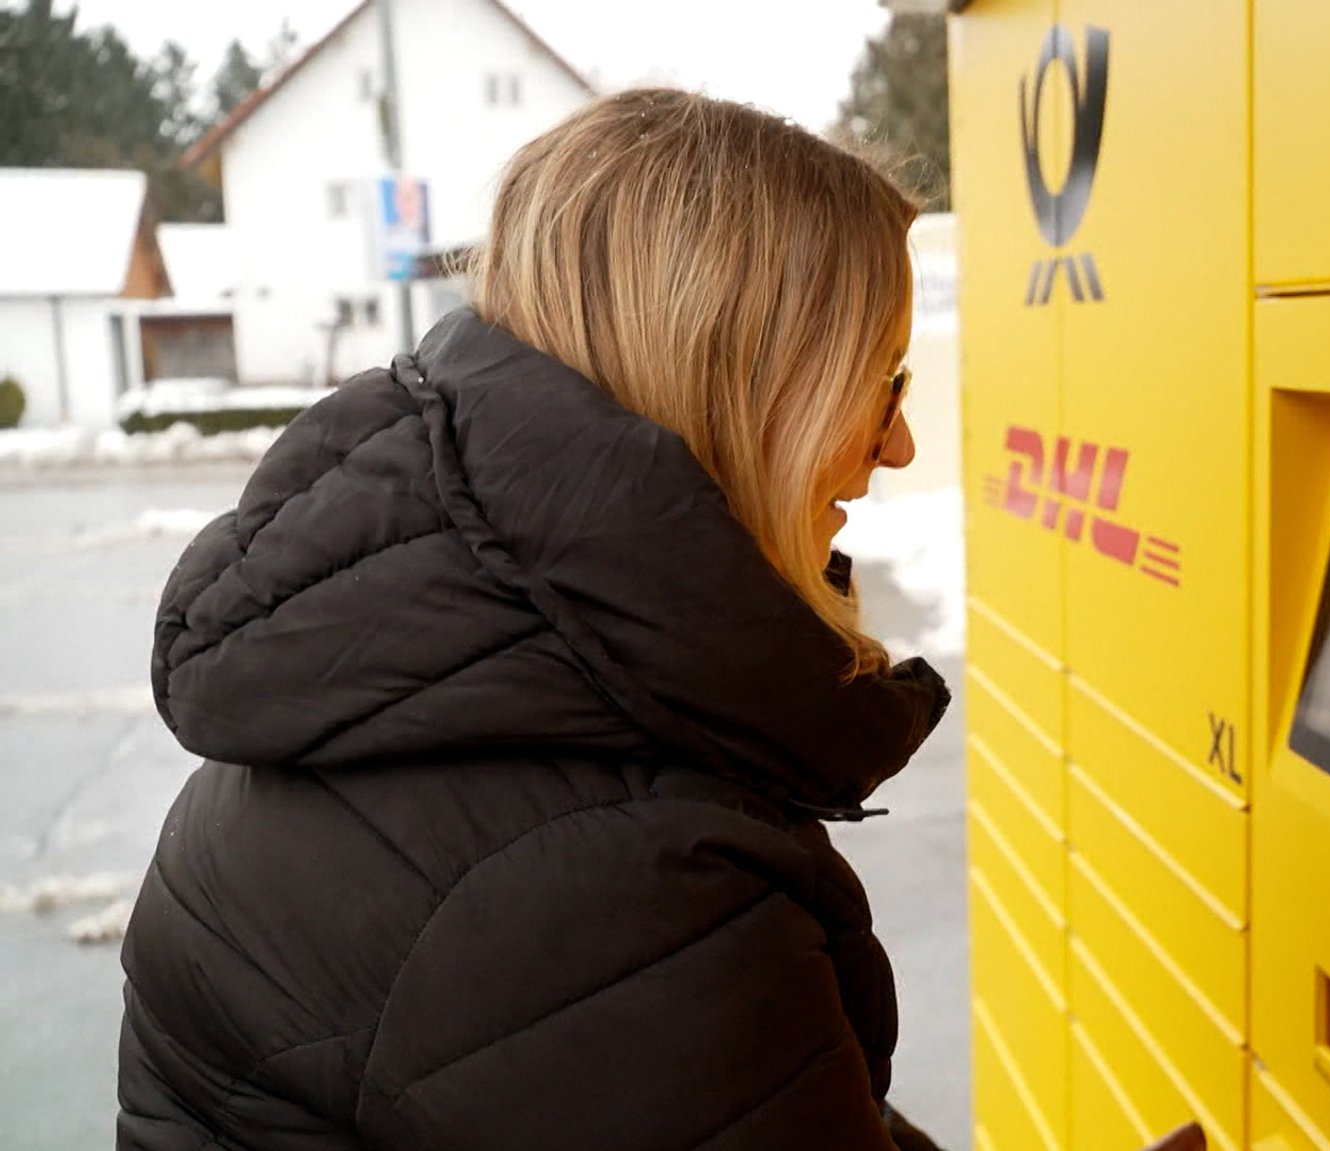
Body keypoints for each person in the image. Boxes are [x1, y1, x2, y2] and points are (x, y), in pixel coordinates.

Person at [116, 88, 951, 1149]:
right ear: (746, 384)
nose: (899, 444)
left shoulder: (407, 662)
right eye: (881, 381)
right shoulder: (603, 881)